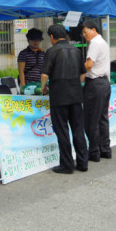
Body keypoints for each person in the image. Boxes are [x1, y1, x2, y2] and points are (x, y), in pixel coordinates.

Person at [41, 24, 88, 174]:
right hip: (76, 95)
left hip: (59, 96)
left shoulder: (51, 51)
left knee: (62, 131)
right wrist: (76, 84)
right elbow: (83, 73)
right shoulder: (76, 51)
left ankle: (67, 165)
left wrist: (43, 87)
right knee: (78, 129)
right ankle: (83, 162)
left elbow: (44, 74)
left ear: (52, 37)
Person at [81, 20, 112, 162]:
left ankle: (94, 152)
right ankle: (105, 149)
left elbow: (89, 65)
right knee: (102, 119)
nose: (84, 35)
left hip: (95, 84)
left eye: (85, 32)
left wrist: (76, 71)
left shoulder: (94, 43)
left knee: (91, 120)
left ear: (93, 30)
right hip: (104, 83)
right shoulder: (103, 42)